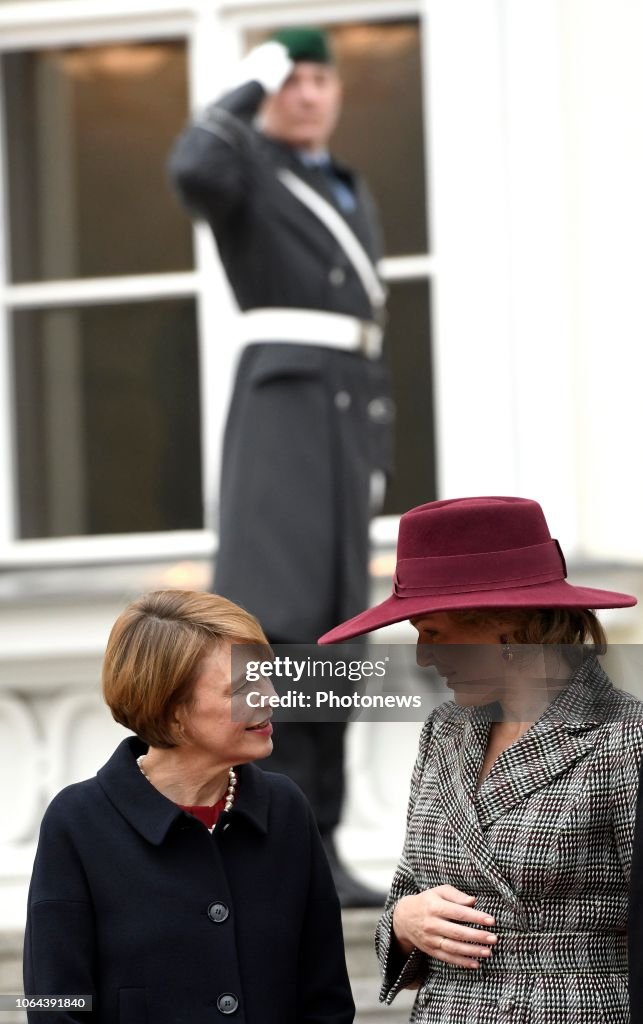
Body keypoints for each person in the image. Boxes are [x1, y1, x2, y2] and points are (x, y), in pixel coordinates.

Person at [167, 27, 392, 907]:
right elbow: (193, 169)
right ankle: (276, 836)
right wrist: (244, 83)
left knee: (340, 630)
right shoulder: (247, 164)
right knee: (278, 629)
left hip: (343, 416)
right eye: (286, 79)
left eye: (315, 78)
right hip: (283, 410)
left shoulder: (343, 180)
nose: (303, 94)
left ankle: (322, 845)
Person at [319, 495, 643, 1023]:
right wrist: (404, 922)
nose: (423, 656)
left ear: (506, 626)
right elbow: (409, 890)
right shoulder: (443, 732)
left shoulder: (627, 741)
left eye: (434, 633)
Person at [23, 589, 355, 1024]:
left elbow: (326, 999)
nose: (270, 695)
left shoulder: (286, 809)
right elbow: (55, 1007)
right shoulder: (79, 823)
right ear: (172, 709)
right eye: (241, 687)